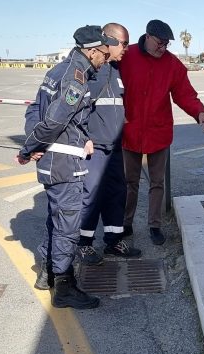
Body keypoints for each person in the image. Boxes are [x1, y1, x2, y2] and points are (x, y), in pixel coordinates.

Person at [17, 25, 118, 309]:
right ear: (92, 51)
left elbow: (34, 112)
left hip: (54, 161)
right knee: (68, 227)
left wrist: (34, 143)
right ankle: (64, 286)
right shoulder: (76, 80)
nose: (105, 58)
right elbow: (54, 122)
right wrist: (29, 148)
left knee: (56, 219)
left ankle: (47, 274)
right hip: (64, 164)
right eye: (103, 53)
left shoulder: (57, 71)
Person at [120, 19, 204, 245]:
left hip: (158, 132)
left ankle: (155, 225)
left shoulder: (172, 64)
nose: (163, 48)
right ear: (147, 36)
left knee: (157, 182)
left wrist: (199, 113)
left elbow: (184, 94)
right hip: (129, 130)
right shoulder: (127, 56)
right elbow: (111, 86)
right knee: (128, 182)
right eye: (160, 43)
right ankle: (125, 223)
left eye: (166, 45)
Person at [77, 23, 142, 265]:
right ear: (110, 42)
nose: (126, 48)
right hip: (95, 148)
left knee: (116, 193)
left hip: (114, 146)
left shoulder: (116, 70)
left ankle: (114, 241)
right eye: (124, 44)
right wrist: (84, 138)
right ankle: (83, 244)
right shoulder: (95, 72)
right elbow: (79, 108)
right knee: (91, 196)